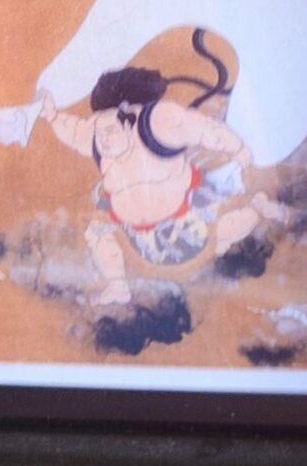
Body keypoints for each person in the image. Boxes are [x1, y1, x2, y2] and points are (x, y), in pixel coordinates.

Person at [35, 66, 289, 307]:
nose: (103, 139)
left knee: (222, 235)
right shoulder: (98, 132)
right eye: (99, 132)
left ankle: (258, 209)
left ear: (129, 120)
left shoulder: (157, 121)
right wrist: (52, 115)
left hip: (187, 217)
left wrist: (237, 147)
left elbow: (203, 129)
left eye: (110, 131)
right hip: (135, 233)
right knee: (97, 232)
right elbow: (74, 132)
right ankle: (118, 286)